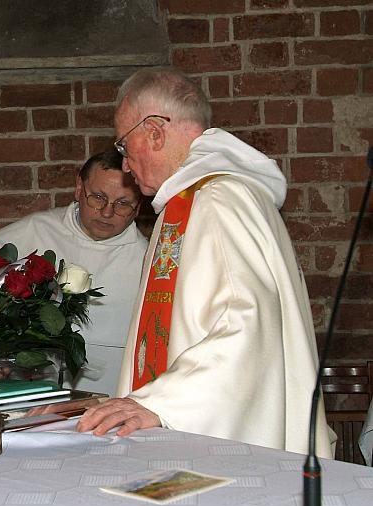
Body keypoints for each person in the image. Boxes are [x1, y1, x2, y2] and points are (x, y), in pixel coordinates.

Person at [74, 67, 333, 458]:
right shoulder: (192, 201)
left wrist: (162, 402)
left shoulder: (217, 200)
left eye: (125, 146)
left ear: (155, 133)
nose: (125, 164)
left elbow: (247, 324)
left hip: (220, 439)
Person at [0, 151, 148, 394]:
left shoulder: (150, 258)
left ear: (138, 206)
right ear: (78, 187)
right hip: (30, 395)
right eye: (98, 197)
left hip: (116, 400)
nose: (106, 212)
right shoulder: (30, 234)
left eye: (123, 204)